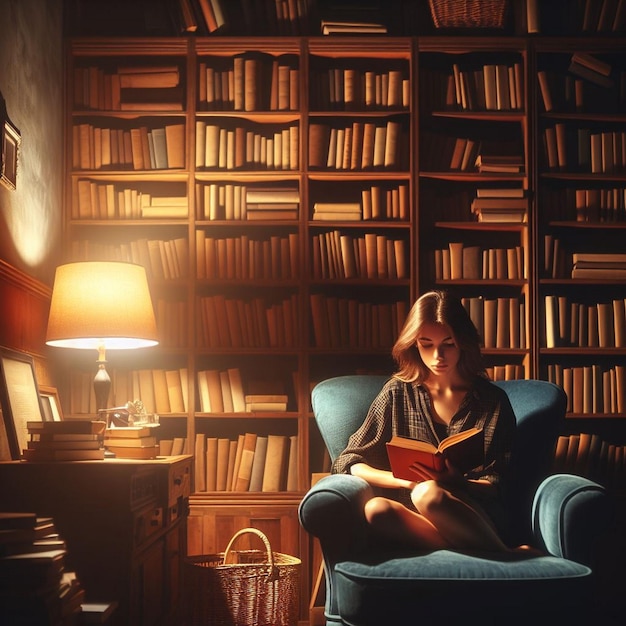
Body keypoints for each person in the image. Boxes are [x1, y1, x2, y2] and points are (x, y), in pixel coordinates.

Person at [332, 289, 527, 554]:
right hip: (417, 514)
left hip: (474, 512)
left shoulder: (492, 400)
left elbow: (500, 483)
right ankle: (500, 554)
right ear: (414, 344)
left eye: (448, 344)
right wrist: (404, 481)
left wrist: (458, 483)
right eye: (427, 344)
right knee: (376, 509)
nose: (438, 356)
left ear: (463, 342)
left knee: (429, 494)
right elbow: (349, 461)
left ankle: (507, 560)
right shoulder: (397, 393)